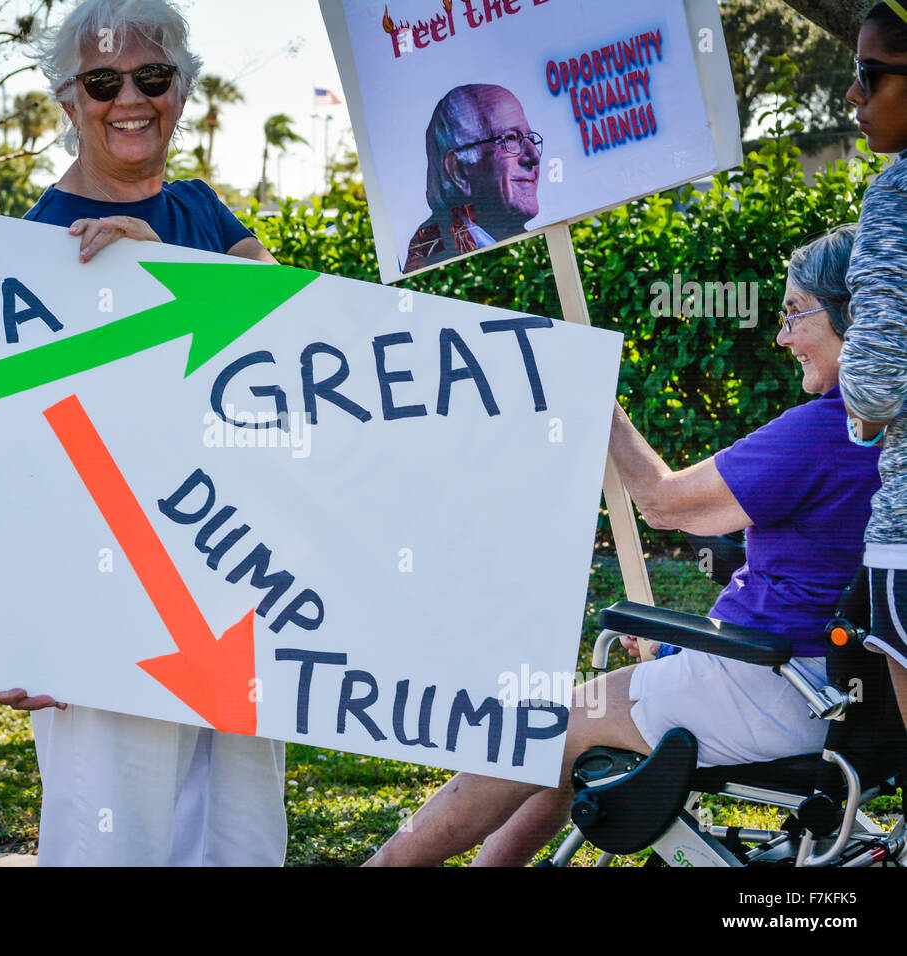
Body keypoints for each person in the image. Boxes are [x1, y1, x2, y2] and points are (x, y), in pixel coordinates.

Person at [367, 226, 881, 865]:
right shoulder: (887, 430)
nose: (779, 337)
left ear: (853, 316)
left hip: (773, 685)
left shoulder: (824, 432)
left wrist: (595, 404)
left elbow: (665, 502)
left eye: (793, 314)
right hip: (841, 695)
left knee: (537, 728)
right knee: (572, 729)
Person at [0, 0, 285, 867]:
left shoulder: (208, 214)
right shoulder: (34, 244)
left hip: (232, 585)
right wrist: (12, 622)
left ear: (181, 91)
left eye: (152, 77)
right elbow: (12, 456)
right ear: (66, 99)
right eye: (102, 80)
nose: (130, 98)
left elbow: (290, 347)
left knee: (242, 845)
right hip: (105, 599)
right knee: (112, 846)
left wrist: (165, 268)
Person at [840, 2, 907, 730]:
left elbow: (876, 385)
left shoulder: (899, 190)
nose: (854, 95)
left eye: (869, 75)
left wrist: (863, 413)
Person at [403, 84, 542, 273]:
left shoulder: (530, 247)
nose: (534, 156)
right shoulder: (435, 257)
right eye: (510, 139)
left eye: (531, 140)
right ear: (459, 170)